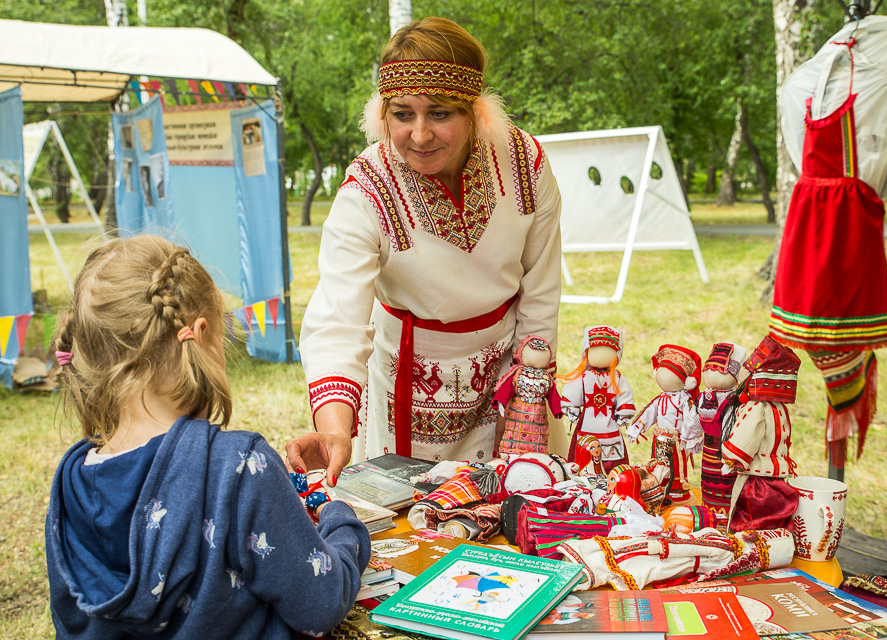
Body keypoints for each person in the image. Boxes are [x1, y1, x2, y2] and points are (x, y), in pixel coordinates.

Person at [45, 236, 370, 639]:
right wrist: (342, 521)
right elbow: (320, 603)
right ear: (199, 333)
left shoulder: (70, 481)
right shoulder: (241, 467)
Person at [287, 17, 562, 480]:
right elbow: (337, 320)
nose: (419, 135)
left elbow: (541, 290)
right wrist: (334, 430)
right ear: (382, 113)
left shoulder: (525, 164)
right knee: (408, 512)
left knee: (514, 500)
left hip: (506, 380)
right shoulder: (368, 189)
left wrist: (526, 394)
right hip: (405, 385)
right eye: (402, 114)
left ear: (474, 110)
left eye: (439, 113)